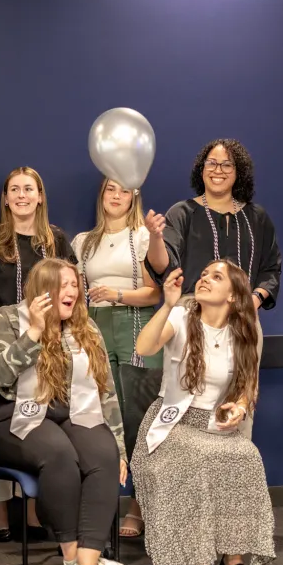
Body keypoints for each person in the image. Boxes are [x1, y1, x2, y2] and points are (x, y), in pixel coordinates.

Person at [0, 258, 128, 565]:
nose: (72, 291)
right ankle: (72, 561)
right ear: (43, 289)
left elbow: (105, 393)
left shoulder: (85, 328)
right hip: (12, 416)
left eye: (74, 285)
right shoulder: (8, 318)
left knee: (104, 453)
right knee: (60, 453)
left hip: (70, 414)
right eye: (63, 285)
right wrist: (33, 332)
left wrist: (121, 447)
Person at [132, 261, 275, 565]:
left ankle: (235, 559)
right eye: (205, 273)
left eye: (217, 277)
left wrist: (239, 407)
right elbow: (144, 348)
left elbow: (246, 386)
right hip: (173, 425)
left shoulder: (244, 330)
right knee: (198, 458)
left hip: (218, 428)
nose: (205, 279)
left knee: (247, 456)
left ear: (232, 295)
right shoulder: (181, 319)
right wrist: (167, 304)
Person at [0, 166, 75, 541]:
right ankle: (0, 515)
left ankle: (32, 514)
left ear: (40, 195)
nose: (22, 195)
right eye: (14, 189)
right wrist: (6, 326)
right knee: (4, 412)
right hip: (1, 337)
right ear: (6, 197)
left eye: (29, 189)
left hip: (49, 341)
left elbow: (69, 289)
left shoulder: (56, 240)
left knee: (40, 414)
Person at [144, 139, 282, 429]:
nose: (217, 170)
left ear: (238, 171)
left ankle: (233, 463)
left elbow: (271, 269)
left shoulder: (257, 218)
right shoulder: (182, 212)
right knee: (185, 396)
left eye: (226, 164)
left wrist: (251, 300)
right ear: (201, 169)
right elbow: (164, 265)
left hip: (243, 316)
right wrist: (155, 238)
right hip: (192, 313)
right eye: (211, 163)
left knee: (238, 404)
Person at [71, 177, 162, 538]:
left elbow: (155, 294)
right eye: (111, 189)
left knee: (138, 418)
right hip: (94, 326)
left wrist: (118, 294)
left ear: (133, 197)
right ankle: (101, 505)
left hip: (136, 324)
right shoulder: (83, 241)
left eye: (124, 190)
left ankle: (139, 507)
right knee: (99, 416)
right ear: (102, 194)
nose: (117, 196)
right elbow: (76, 293)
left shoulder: (142, 237)